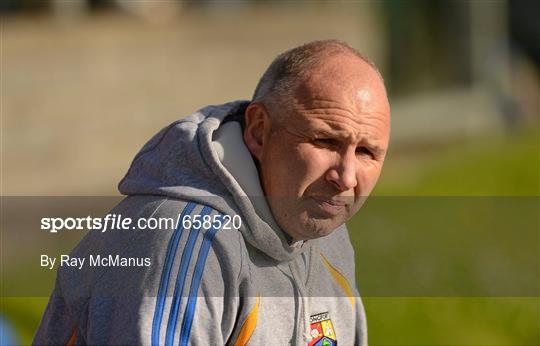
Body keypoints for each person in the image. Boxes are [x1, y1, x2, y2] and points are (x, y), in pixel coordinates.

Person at [34, 39, 390, 346]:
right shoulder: (180, 243)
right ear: (259, 131)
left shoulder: (325, 234)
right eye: (325, 140)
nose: (345, 177)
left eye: (367, 152)